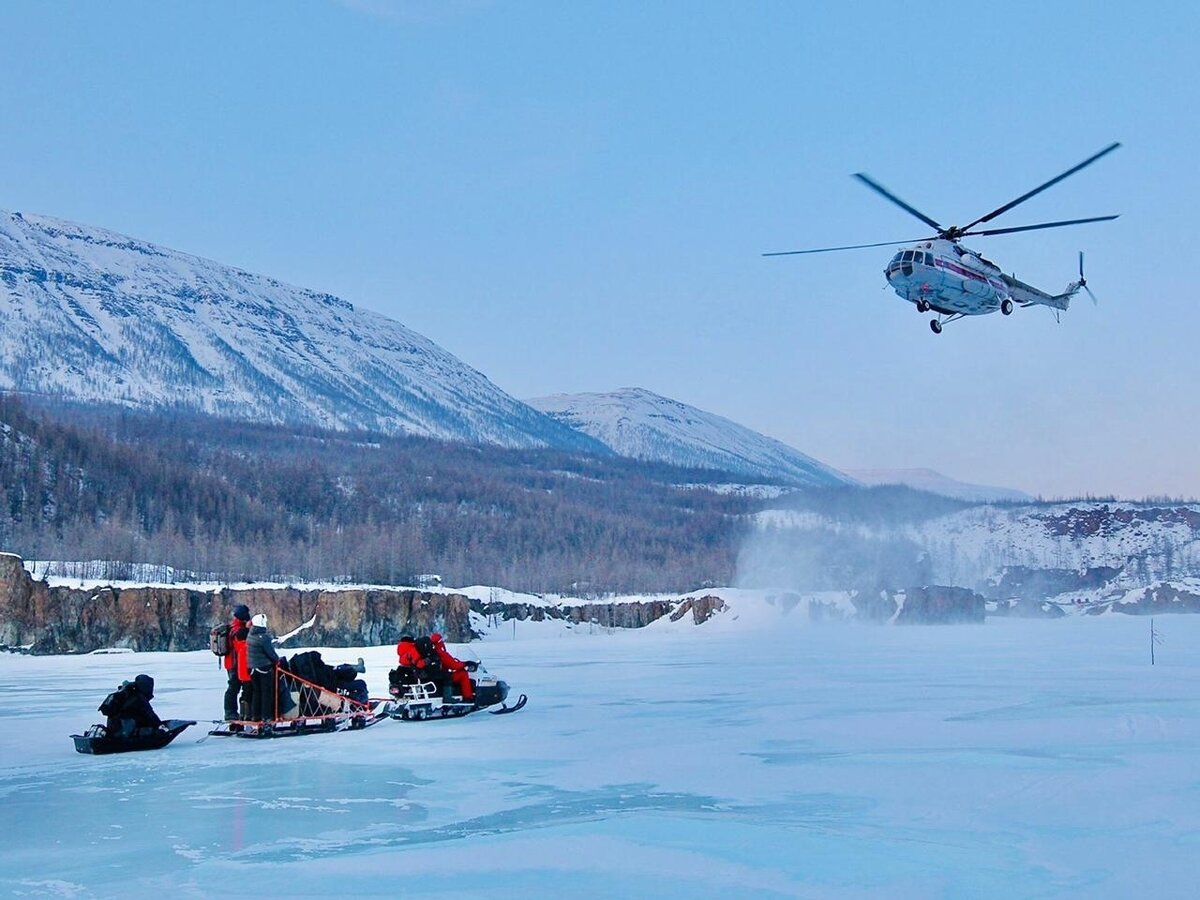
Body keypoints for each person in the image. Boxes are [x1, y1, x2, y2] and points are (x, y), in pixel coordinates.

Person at [246, 613, 282, 722]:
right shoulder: (264, 638)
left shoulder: (250, 635)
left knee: (257, 692)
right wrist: (277, 660)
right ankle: (266, 716)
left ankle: (255, 715)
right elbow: (271, 653)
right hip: (264, 668)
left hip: (252, 668)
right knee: (267, 692)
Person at [222, 604, 252, 721]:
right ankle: (231, 713)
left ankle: (235, 712)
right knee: (235, 687)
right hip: (236, 664)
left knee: (235, 688)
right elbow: (242, 647)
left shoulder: (232, 627)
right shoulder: (238, 630)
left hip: (232, 663)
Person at [430, 632, 475, 702]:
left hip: (435, 676)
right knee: (463, 674)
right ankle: (468, 697)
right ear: (440, 642)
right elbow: (453, 665)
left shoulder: (432, 652)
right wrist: (465, 664)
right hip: (442, 676)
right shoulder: (441, 653)